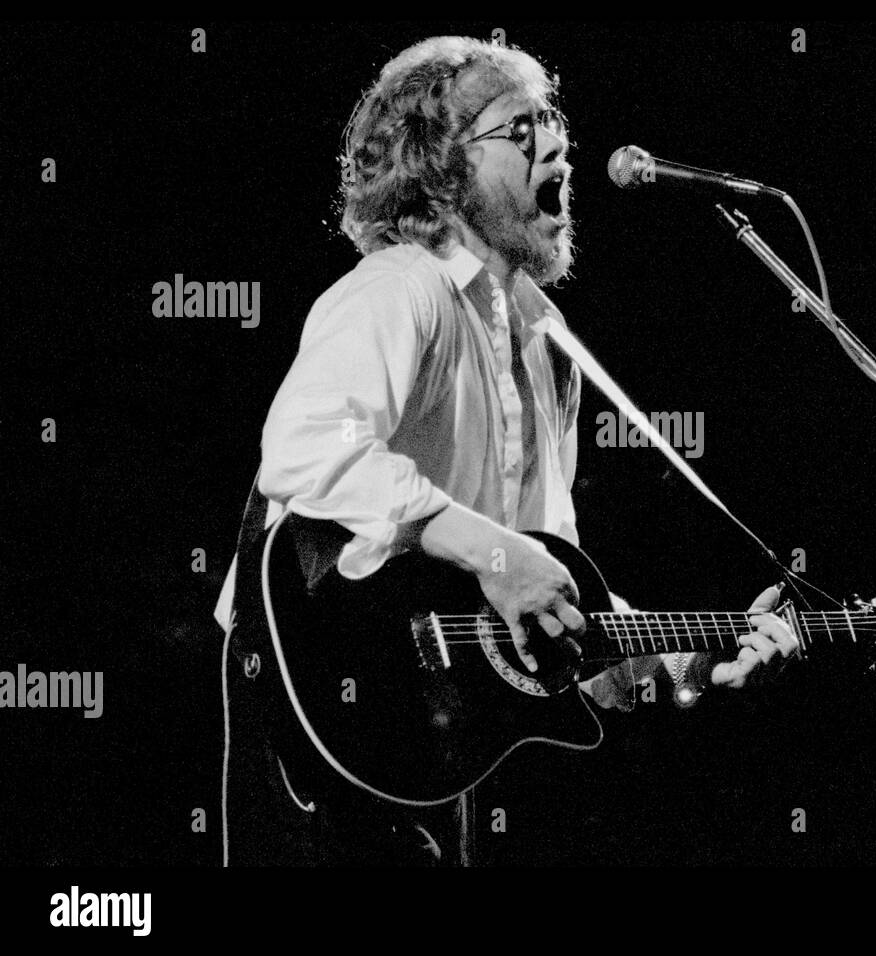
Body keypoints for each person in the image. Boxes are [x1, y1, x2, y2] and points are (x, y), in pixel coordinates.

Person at [214, 35, 798, 866]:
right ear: (441, 168)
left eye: (553, 118)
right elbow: (305, 448)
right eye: (519, 128)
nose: (556, 141)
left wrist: (684, 662)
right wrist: (492, 552)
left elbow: (544, 584)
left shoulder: (545, 338)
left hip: (430, 728)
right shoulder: (399, 289)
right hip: (314, 685)